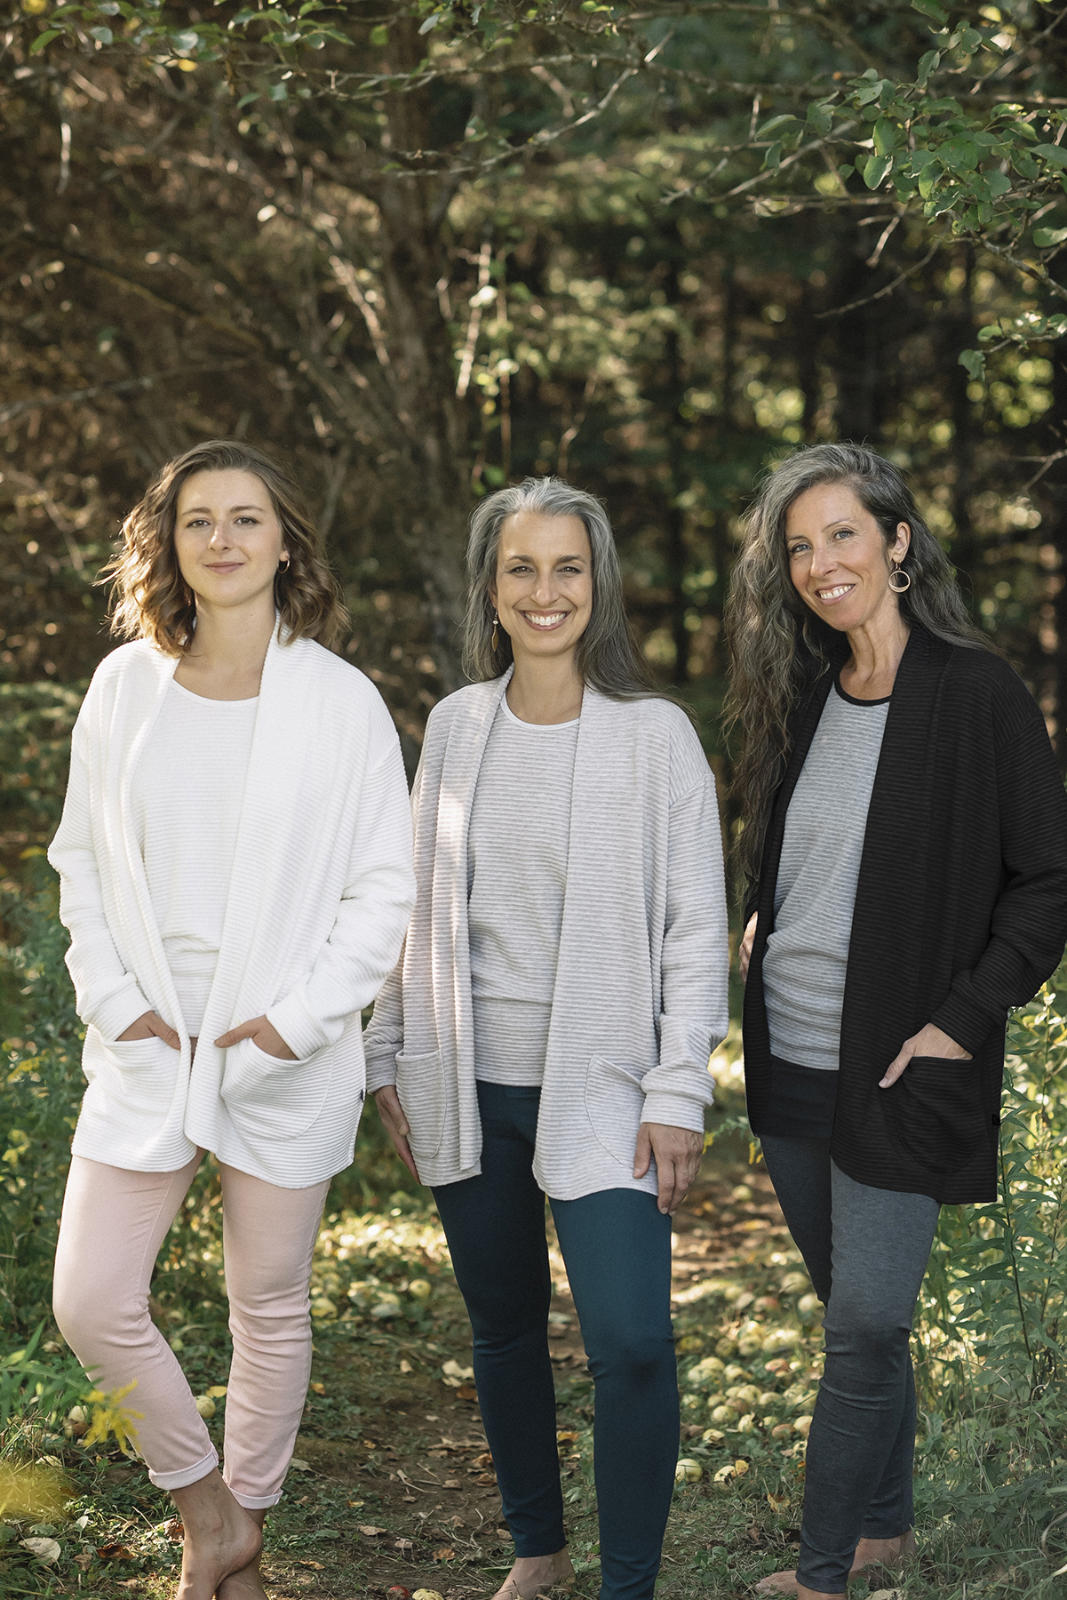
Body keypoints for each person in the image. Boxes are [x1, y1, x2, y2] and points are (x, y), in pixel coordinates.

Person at [48, 440, 415, 1600]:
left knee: (268, 1303)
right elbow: (80, 865)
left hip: (276, 1043)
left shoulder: (340, 701)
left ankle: (241, 1531)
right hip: (148, 1038)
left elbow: (382, 887)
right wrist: (116, 998)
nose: (221, 538)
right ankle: (205, 1507)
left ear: (283, 540)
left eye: (244, 517)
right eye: (197, 519)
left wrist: (297, 1022)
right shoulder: (125, 687)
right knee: (91, 1299)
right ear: (168, 543)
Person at [365, 476, 728, 1600]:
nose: (544, 590)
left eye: (566, 567)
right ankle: (540, 1548)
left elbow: (694, 924)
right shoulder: (458, 726)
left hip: (606, 1084)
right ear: (489, 587)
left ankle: (626, 1584)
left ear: (597, 583)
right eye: (520, 568)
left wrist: (679, 1090)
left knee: (628, 1340)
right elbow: (409, 902)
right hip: (467, 1079)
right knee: (505, 1324)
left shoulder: (654, 737)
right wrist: (387, 1051)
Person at [725, 442, 1067, 1600]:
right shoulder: (808, 692)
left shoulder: (973, 693)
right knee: (855, 1313)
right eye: (799, 546)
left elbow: (1047, 878)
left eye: (842, 536)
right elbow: (807, 855)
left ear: (897, 542)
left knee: (864, 1324)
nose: (820, 565)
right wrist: (762, 917)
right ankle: (886, 1531)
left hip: (900, 1062)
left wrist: (965, 1020)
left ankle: (822, 1575)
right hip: (787, 1055)